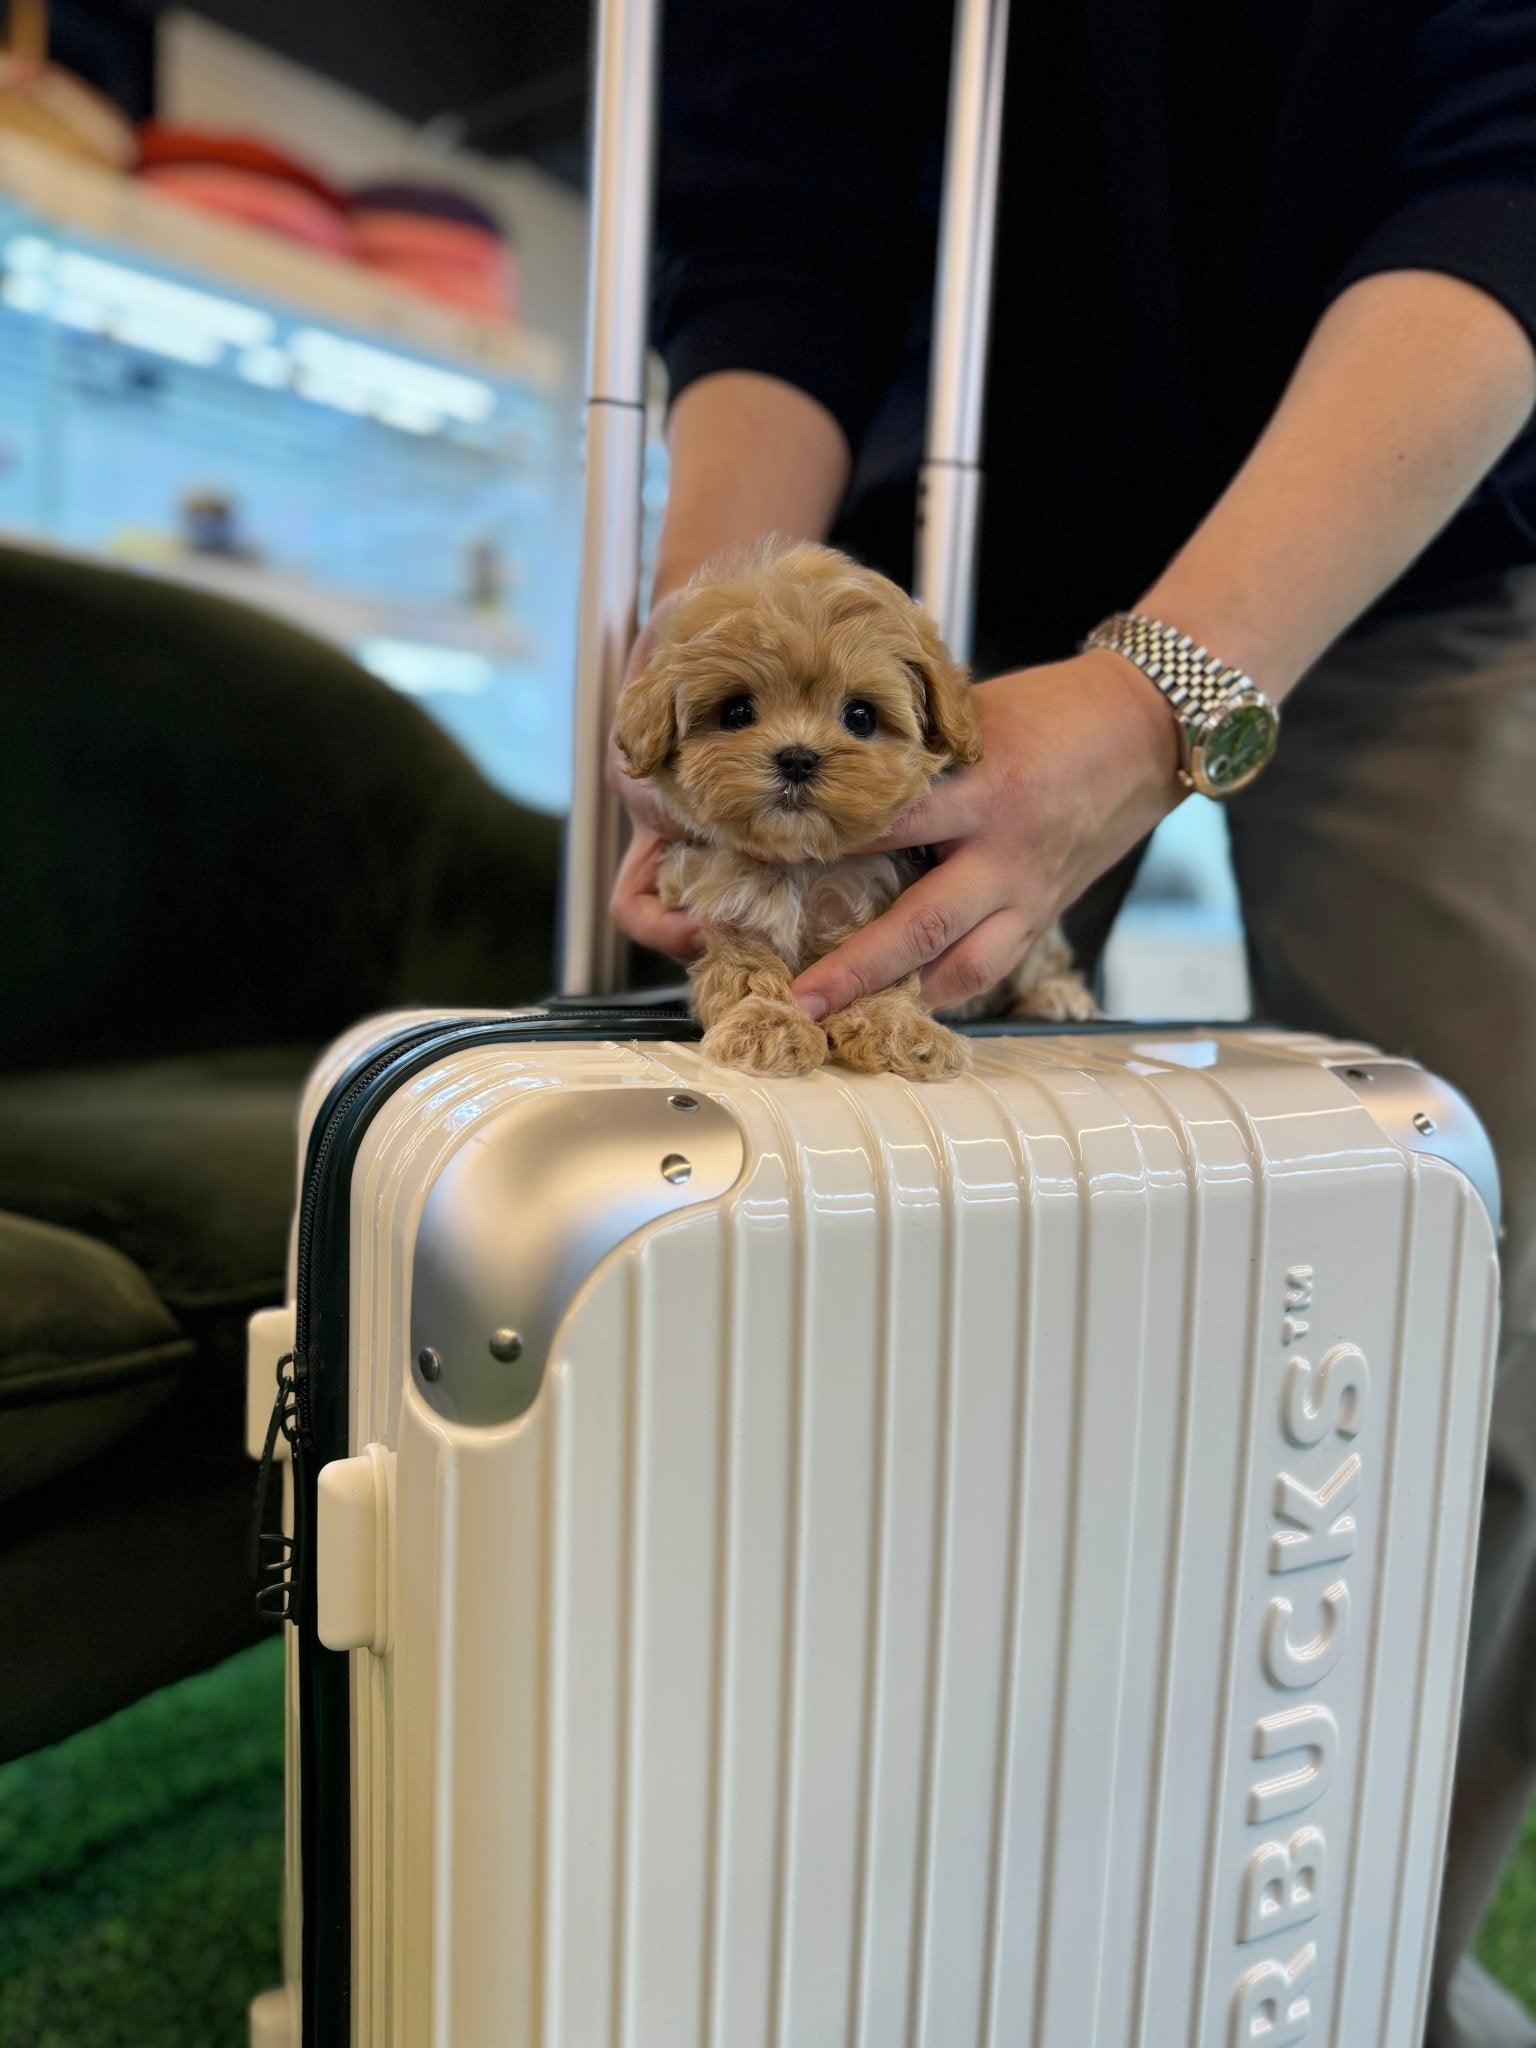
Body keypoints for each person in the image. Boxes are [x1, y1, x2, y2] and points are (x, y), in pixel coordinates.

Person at [609, 8, 1536, 2041]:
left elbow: (1507, 172)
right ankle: (798, 1894)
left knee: (1510, 1300)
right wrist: (713, 657)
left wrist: (1155, 700)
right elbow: (782, 209)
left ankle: (1345, 1942)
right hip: (947, 569)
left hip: (1429, 529)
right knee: (770, 1218)